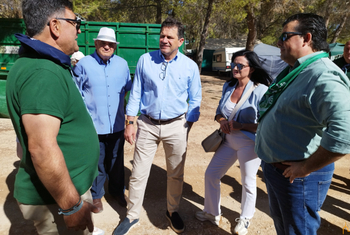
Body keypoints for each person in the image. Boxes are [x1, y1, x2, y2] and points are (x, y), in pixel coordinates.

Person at [6, 0, 104, 235]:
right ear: (55, 26)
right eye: (75, 22)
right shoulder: (43, 72)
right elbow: (41, 148)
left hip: (58, 195)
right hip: (55, 202)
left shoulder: (40, 64)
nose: (79, 30)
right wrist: (71, 207)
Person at [255, 13, 350, 235]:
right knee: (285, 229)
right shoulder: (297, 70)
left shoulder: (323, 74)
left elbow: (344, 134)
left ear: (306, 39)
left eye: (285, 36)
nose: (278, 42)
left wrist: (305, 167)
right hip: (278, 171)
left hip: (300, 178)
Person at [113, 17, 202, 235]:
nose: (164, 40)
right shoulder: (145, 60)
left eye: (170, 37)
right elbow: (135, 93)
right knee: (138, 173)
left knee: (175, 174)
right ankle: (132, 216)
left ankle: (172, 211)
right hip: (147, 124)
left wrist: (187, 124)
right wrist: (130, 122)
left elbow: (196, 98)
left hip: (176, 126)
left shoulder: (190, 66)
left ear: (180, 41)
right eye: (162, 36)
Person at [195, 50, 271, 235]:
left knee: (248, 181)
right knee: (211, 174)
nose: (234, 68)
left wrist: (241, 125)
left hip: (249, 143)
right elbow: (219, 112)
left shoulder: (261, 90)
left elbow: (266, 124)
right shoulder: (229, 86)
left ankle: (245, 218)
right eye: (233, 64)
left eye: (240, 65)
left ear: (251, 69)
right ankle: (213, 213)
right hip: (228, 141)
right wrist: (222, 121)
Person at [74, 27, 132, 211]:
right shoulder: (83, 64)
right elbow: (77, 94)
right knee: (97, 161)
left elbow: (129, 91)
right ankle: (97, 195)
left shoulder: (123, 65)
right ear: (96, 43)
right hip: (93, 126)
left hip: (116, 125)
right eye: (103, 43)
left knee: (116, 160)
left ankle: (116, 191)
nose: (107, 46)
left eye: (111, 44)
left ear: (115, 46)